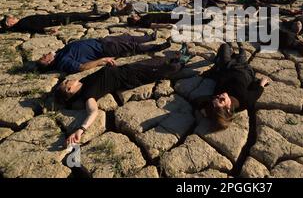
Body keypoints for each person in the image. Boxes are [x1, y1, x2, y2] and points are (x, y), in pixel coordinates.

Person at [54, 45, 193, 146]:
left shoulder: (82, 82)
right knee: (167, 69)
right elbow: (93, 112)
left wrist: (106, 62)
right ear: (69, 89)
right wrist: (80, 130)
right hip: (133, 77)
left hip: (128, 68)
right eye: (66, 82)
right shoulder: (88, 95)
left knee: (158, 61)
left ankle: (179, 54)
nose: (68, 79)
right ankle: (184, 59)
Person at [198, 43, 269, 129]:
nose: (220, 95)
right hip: (244, 68)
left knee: (224, 46)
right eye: (221, 100)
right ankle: (239, 50)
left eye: (216, 97)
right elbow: (258, 92)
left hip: (227, 67)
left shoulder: (215, 101)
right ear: (228, 109)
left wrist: (206, 111)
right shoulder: (245, 100)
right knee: (242, 54)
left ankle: (226, 56)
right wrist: (262, 83)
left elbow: (198, 101)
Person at [37, 33, 171, 74]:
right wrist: (102, 60)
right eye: (43, 58)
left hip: (102, 41)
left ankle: (150, 37)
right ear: (49, 62)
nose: (43, 55)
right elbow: (81, 67)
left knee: (128, 37)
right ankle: (157, 47)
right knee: (133, 47)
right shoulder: (63, 61)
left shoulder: (59, 54)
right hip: (105, 49)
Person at [0, 9, 110, 34]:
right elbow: (34, 29)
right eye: (9, 19)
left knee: (75, 14)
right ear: (10, 23)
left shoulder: (21, 23)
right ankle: (98, 18)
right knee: (78, 17)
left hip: (54, 18)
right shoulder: (22, 24)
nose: (11, 17)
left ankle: (93, 11)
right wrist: (47, 31)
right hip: (55, 20)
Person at [127, 12, 213, 28]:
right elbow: (154, 25)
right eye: (133, 16)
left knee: (187, 17)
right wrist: (167, 25)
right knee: (188, 20)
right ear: (134, 21)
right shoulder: (143, 22)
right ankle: (206, 20)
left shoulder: (141, 18)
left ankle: (202, 16)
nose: (134, 15)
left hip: (168, 16)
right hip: (169, 19)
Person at [111, 0, 179, 16]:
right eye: (119, 6)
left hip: (149, 5)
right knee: (163, 8)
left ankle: (174, 5)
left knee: (163, 6)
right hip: (149, 8)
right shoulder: (129, 10)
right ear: (121, 9)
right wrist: (121, 5)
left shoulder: (127, 5)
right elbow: (131, 9)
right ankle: (175, 6)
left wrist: (121, 2)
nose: (120, 5)